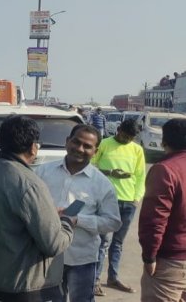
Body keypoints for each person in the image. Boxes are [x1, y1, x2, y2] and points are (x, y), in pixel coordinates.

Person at [0, 115, 75, 302]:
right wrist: (68, 222)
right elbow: (54, 244)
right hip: (22, 289)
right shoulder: (29, 184)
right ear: (33, 147)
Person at [35, 124, 121, 301]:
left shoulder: (102, 184)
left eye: (87, 146)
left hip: (82, 260)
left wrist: (78, 220)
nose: (80, 149)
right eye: (76, 142)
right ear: (67, 142)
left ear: (95, 152)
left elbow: (113, 222)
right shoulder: (43, 172)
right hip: (46, 257)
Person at [92, 117, 145, 295]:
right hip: (107, 201)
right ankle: (95, 280)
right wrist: (108, 173)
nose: (127, 140)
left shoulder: (137, 150)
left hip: (128, 202)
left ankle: (113, 278)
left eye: (131, 137)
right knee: (102, 242)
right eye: (125, 135)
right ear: (119, 129)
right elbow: (91, 165)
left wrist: (136, 198)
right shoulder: (105, 144)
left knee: (118, 243)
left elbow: (140, 175)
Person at [139, 118, 186, 301]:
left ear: (164, 142)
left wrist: (149, 257)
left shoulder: (165, 170)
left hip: (170, 261)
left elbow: (154, 220)